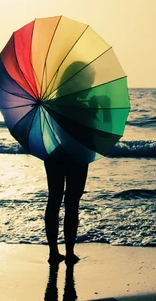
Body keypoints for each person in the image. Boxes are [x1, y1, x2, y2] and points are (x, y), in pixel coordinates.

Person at [43, 61, 110, 265]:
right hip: (77, 156)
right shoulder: (77, 105)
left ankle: (54, 252)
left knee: (55, 200)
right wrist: (99, 108)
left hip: (54, 155)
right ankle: (68, 252)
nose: (90, 87)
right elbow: (99, 129)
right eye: (88, 82)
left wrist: (95, 108)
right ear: (77, 81)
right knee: (71, 203)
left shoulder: (53, 102)